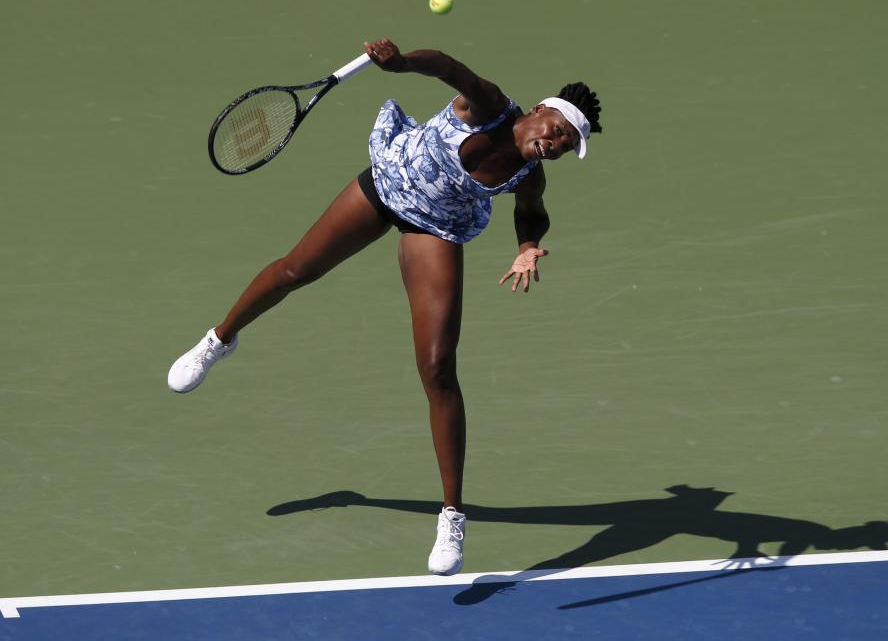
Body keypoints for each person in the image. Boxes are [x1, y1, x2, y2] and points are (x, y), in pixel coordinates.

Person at [167, 38, 602, 576]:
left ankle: (451, 515)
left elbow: (532, 214)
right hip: (388, 184)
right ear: (539, 112)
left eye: (563, 147)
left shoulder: (529, 174)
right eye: (556, 132)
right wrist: (400, 64)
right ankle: (218, 340)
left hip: (433, 228)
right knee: (295, 271)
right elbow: (446, 66)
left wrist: (526, 245)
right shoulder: (487, 104)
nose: (553, 145)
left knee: (439, 368)